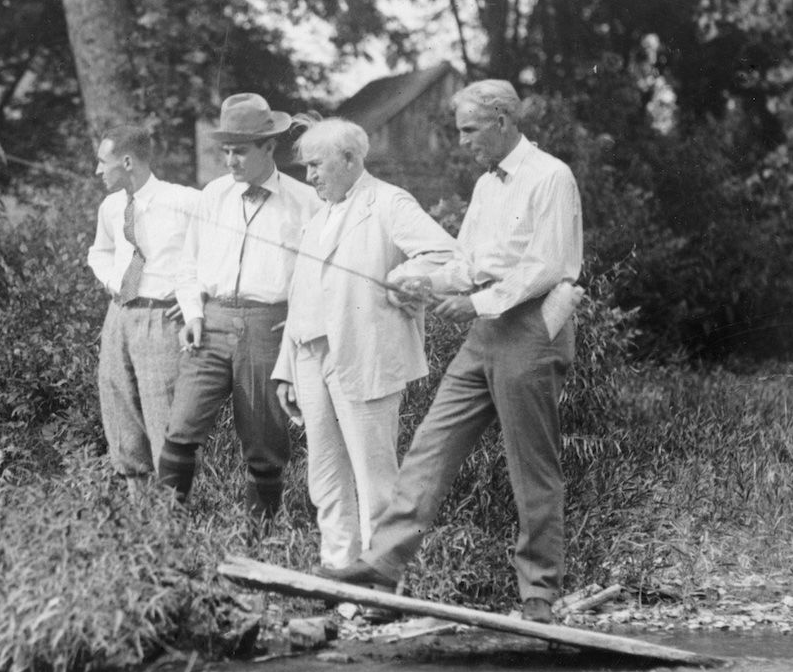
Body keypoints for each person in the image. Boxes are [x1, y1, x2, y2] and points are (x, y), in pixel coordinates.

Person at [315, 79, 584, 624]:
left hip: (531, 329)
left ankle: (538, 594)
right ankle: (383, 564)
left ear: (502, 121)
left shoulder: (551, 176)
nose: (462, 142)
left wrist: (477, 303)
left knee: (532, 466)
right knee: (430, 447)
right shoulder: (487, 186)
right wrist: (428, 282)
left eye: (469, 130)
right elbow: (468, 261)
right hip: (486, 334)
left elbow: (547, 265)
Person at [271, 116, 467, 570]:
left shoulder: (388, 202)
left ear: (350, 159)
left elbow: (447, 255)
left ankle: (381, 578)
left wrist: (405, 278)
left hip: (365, 356)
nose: (310, 176)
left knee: (375, 478)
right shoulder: (320, 216)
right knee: (325, 477)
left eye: (316, 165)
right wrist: (286, 368)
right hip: (310, 358)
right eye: (306, 168)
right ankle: (338, 572)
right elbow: (302, 296)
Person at [158, 93, 320, 526]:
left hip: (270, 325)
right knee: (181, 426)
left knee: (265, 439)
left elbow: (319, 274)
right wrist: (192, 313)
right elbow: (187, 262)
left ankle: (259, 535)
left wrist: (300, 322)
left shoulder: (305, 203)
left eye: (240, 150)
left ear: (269, 147)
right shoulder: (213, 195)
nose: (230, 160)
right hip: (211, 323)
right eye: (225, 150)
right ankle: (163, 531)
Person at [87, 124, 200, 483]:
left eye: (103, 162)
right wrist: (111, 282)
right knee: (118, 408)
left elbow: (213, 256)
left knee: (163, 417)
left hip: (161, 318)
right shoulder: (111, 207)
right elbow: (99, 252)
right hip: (119, 315)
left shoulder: (184, 201)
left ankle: (175, 517)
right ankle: (140, 518)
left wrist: (196, 300)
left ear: (127, 161)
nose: (98, 171)